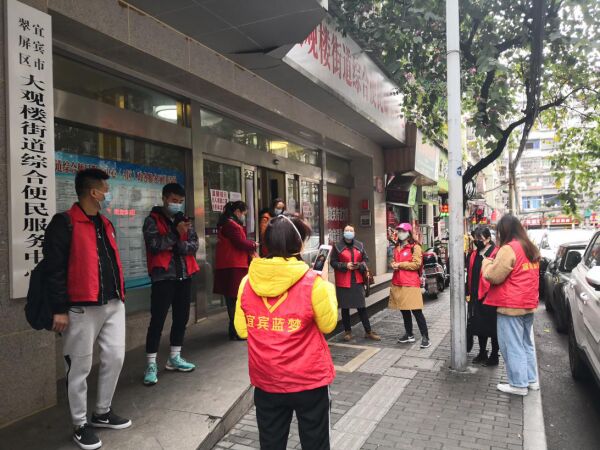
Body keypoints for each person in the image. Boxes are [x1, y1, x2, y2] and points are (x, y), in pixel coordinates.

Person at [43, 168, 131, 450]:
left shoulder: (105, 223)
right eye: (106, 189)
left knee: (115, 357)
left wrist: (120, 295)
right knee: (78, 367)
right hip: (81, 307)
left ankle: (102, 412)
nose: (108, 193)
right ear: (94, 193)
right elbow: (54, 270)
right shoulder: (64, 223)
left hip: (113, 303)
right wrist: (59, 309)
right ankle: (80, 424)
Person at [234, 214, 338, 450]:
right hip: (309, 381)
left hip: (267, 380)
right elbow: (328, 325)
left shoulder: (247, 282)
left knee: (271, 443)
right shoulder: (313, 282)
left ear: (267, 244)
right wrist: (325, 283)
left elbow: (242, 330)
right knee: (316, 443)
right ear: (298, 245)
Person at [143, 183, 200, 386]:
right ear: (165, 198)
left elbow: (194, 245)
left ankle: (175, 357)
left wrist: (176, 244)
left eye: (180, 201)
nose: (177, 204)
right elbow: (155, 245)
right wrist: (175, 234)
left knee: (181, 318)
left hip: (184, 275)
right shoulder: (152, 220)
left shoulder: (185, 220)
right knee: (157, 321)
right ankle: (150, 364)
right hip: (163, 278)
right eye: (174, 200)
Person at [482, 214, 540, 396]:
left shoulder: (509, 249)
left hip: (511, 306)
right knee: (525, 344)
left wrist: (486, 262)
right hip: (528, 303)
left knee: (512, 345)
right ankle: (531, 380)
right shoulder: (530, 247)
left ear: (504, 231)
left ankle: (518, 384)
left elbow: (493, 276)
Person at [214, 201, 258, 340]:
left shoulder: (228, 223)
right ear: (238, 211)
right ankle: (236, 330)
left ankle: (235, 329)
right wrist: (253, 244)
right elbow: (239, 242)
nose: (244, 216)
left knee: (233, 298)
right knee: (235, 299)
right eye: (244, 213)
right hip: (233, 265)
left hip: (231, 264)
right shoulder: (231, 225)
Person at [331, 225, 380, 342]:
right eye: (346, 230)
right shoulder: (337, 247)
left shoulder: (360, 245)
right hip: (343, 281)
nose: (349, 232)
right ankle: (347, 332)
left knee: (361, 307)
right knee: (345, 308)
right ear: (343, 232)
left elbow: (366, 260)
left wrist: (359, 265)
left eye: (351, 230)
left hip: (357, 280)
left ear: (354, 233)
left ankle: (368, 331)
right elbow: (333, 262)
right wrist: (345, 265)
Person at [389, 223, 431, 349]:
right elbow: (394, 260)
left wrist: (400, 264)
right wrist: (393, 264)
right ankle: (409, 334)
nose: (400, 233)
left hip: (411, 282)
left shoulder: (415, 247)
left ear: (408, 232)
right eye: (399, 231)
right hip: (398, 282)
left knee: (416, 311)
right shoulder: (397, 247)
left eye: (403, 231)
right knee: (404, 310)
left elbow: (416, 264)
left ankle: (425, 337)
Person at [466, 226, 499, 366]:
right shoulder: (474, 254)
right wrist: (468, 291)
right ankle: (482, 352)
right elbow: (470, 273)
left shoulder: (496, 253)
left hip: (492, 296)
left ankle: (494, 355)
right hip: (475, 295)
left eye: (480, 238)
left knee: (493, 327)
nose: (477, 241)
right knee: (479, 325)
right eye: (475, 238)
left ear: (488, 238)